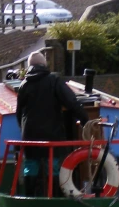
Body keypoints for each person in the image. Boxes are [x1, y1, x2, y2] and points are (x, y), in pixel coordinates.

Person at [15, 51, 88, 195]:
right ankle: (55, 198)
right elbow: (72, 103)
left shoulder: (24, 85)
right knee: (54, 167)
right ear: (44, 65)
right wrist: (86, 121)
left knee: (30, 166)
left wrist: (23, 130)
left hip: (30, 138)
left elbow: (19, 113)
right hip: (52, 137)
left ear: (29, 67)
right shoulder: (54, 81)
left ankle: (30, 198)